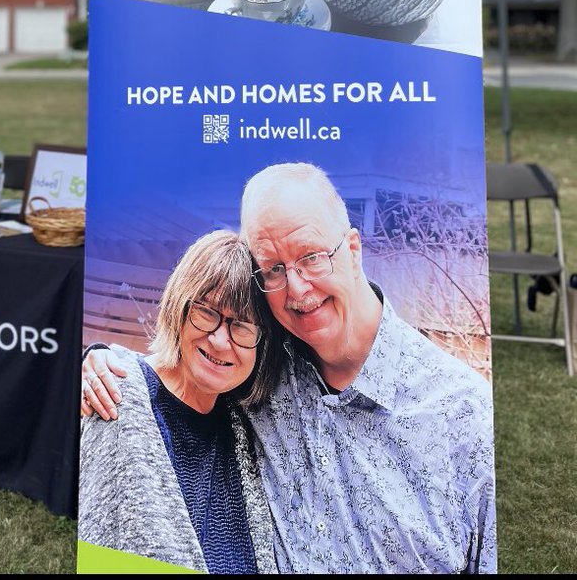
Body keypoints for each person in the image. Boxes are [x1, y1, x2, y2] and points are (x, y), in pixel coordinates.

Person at [83, 162, 496, 573]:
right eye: (274, 268)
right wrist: (102, 362)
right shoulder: (264, 367)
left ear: (353, 251)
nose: (297, 288)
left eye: (311, 257)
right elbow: (183, 376)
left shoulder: (464, 419)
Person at [79, 230, 280, 573]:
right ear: (178, 306)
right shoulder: (116, 396)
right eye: (207, 312)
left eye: (243, 326)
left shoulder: (250, 425)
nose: (220, 340)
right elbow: (100, 550)